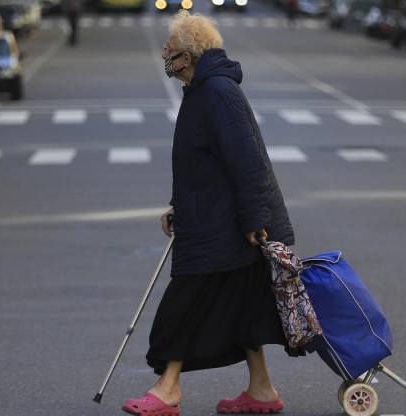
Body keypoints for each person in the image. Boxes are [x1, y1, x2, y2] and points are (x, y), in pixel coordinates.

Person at [121, 10, 295, 416]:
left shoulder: (217, 92)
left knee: (183, 307)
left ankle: (167, 389)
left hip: (228, 228)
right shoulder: (204, 90)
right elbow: (202, 162)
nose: (166, 55)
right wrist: (178, 205)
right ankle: (262, 390)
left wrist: (255, 220)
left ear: (192, 55)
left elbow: (247, 161)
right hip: (216, 220)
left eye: (172, 50)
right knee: (245, 309)